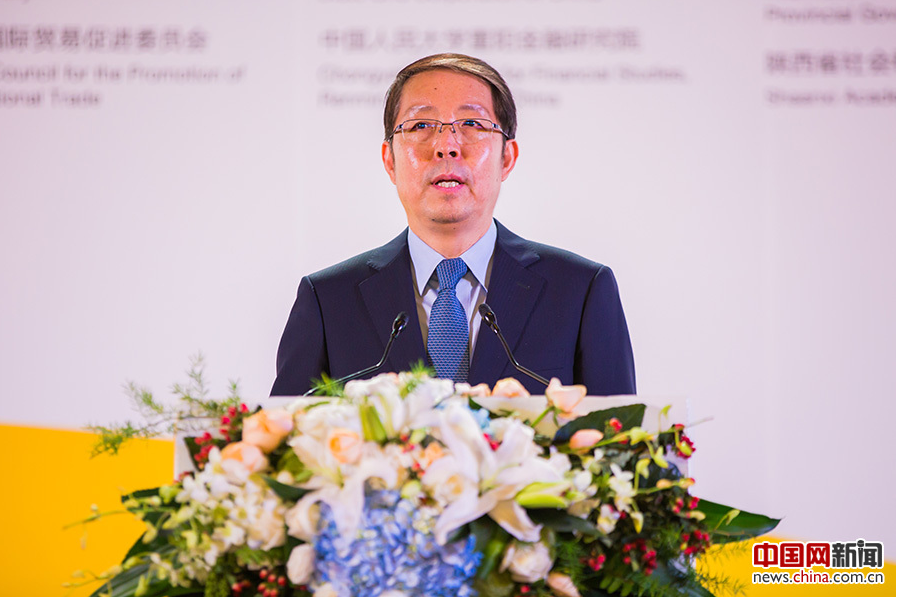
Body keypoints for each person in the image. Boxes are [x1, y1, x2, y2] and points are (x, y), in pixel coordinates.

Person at [271, 53, 635, 396]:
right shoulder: (329, 300)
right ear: (389, 160)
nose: (446, 145)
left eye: (472, 124)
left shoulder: (580, 291)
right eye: (421, 125)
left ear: (507, 157)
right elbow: (285, 449)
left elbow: (623, 447)